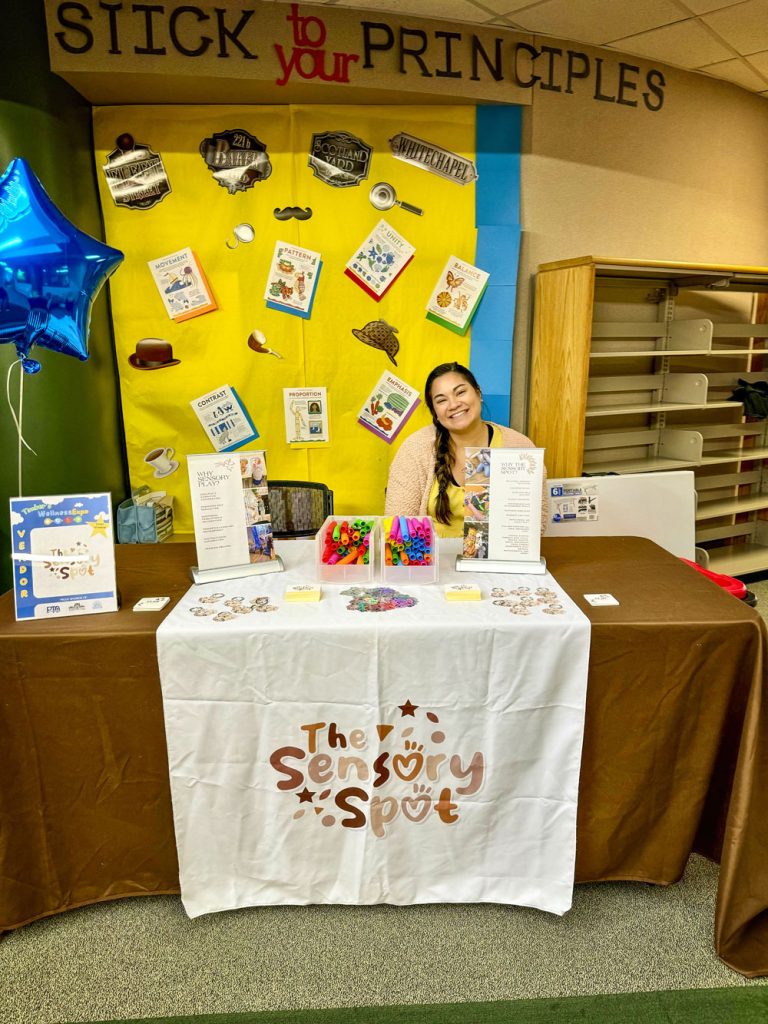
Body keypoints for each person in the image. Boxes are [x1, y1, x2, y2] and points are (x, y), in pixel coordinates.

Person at [385, 362, 547, 538]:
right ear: (435, 413)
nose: (454, 404)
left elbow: (535, 524)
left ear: (478, 393)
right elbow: (397, 525)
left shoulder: (519, 448)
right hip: (429, 560)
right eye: (441, 400)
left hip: (496, 562)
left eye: (460, 392)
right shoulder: (415, 449)